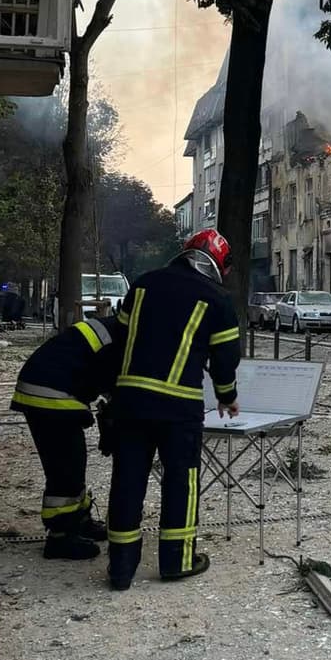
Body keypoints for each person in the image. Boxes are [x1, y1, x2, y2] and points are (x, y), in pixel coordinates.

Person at [105, 229, 241, 590]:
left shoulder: (143, 284)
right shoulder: (217, 299)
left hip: (131, 401)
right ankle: (177, 561)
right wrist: (227, 397)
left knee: (127, 480)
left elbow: (118, 340)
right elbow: (225, 359)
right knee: (182, 481)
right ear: (218, 264)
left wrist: (114, 389)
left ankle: (120, 569)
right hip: (178, 406)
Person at [10, 316, 126, 560]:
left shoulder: (113, 329)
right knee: (66, 467)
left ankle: (78, 521)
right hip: (51, 393)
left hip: (49, 385)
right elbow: (117, 385)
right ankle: (60, 537)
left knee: (74, 459)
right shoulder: (123, 340)